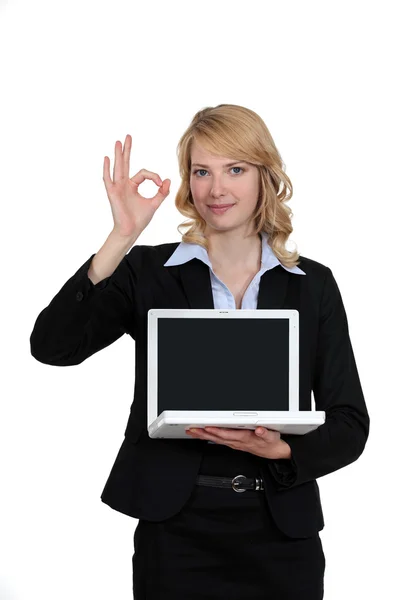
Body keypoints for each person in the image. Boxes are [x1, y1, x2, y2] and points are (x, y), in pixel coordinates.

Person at [30, 104, 370, 599]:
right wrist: (121, 237)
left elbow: (349, 423)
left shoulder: (312, 286)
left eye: (236, 169)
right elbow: (52, 347)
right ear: (188, 183)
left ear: (265, 176)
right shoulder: (149, 273)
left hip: (280, 533)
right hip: (176, 533)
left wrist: (286, 450)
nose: (217, 189)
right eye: (201, 171)